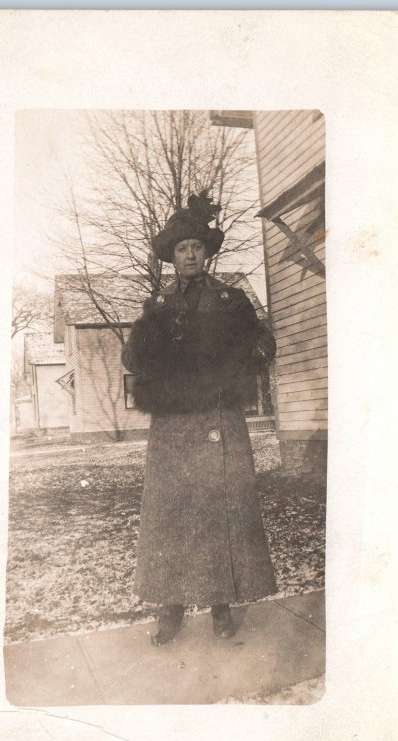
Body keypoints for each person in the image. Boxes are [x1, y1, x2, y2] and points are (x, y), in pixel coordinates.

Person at [122, 192, 277, 646]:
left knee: (219, 510)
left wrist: (249, 358)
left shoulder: (230, 300)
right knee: (170, 513)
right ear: (171, 258)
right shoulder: (158, 303)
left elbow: (262, 342)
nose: (189, 255)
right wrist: (148, 346)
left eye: (196, 247)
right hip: (172, 423)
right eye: (181, 249)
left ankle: (221, 607)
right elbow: (135, 357)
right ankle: (170, 609)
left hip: (218, 417)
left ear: (207, 254)